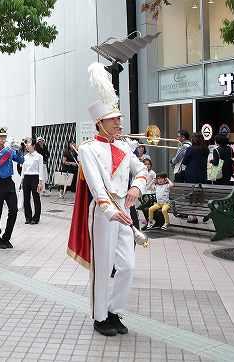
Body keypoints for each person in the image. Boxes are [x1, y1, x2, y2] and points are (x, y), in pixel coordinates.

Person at [68, 63, 148, 337]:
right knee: (102, 266)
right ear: (100, 122)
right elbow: (96, 185)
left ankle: (115, 310)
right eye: (114, 119)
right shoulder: (87, 150)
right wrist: (109, 209)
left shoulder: (125, 146)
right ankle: (100, 317)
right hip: (103, 212)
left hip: (125, 210)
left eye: (120, 119)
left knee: (127, 265)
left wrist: (137, 188)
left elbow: (142, 170)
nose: (120, 123)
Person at [0, 127, 24, 249]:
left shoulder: (9, 150)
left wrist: (18, 150)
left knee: (14, 210)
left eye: (4, 137)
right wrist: (6, 150)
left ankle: (6, 237)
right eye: (1, 137)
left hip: (9, 182)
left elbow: (21, 160)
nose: (3, 139)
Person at [182, 133, 209, 223]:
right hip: (202, 175)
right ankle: (206, 212)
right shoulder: (206, 149)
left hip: (191, 175)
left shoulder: (190, 149)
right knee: (201, 194)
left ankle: (193, 216)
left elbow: (185, 162)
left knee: (192, 195)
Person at [21, 138, 45, 224]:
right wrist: (21, 180)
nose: (27, 146)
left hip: (35, 178)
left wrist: (40, 182)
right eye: (26, 144)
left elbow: (41, 170)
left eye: (29, 144)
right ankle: (28, 217)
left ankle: (36, 218)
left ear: (34, 145)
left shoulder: (39, 157)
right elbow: (23, 170)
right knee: (26, 199)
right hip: (26, 178)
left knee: (36, 198)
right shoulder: (25, 157)